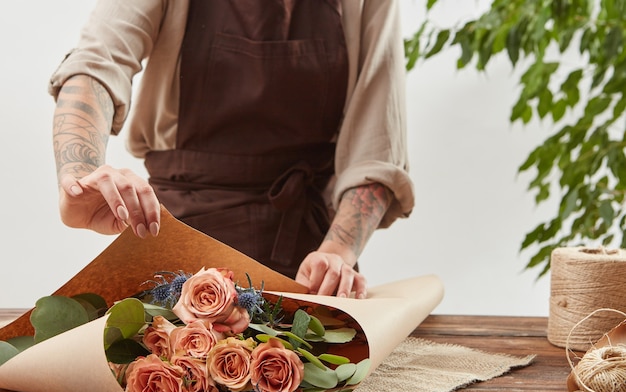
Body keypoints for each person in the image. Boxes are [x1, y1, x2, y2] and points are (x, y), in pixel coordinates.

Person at [49, 0, 414, 300]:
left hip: (309, 270)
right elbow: (96, 65)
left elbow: (377, 148)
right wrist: (80, 174)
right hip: (178, 249)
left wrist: (335, 257)